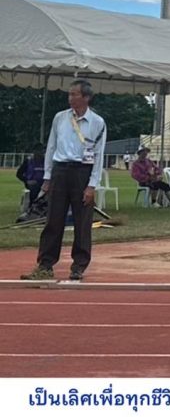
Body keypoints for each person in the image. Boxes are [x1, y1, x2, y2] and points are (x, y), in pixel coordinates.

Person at [21, 79, 106, 282]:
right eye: (69, 94)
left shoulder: (98, 122)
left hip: (82, 172)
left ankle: (79, 266)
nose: (70, 98)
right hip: (60, 170)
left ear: (86, 97)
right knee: (53, 220)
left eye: (75, 94)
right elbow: (51, 147)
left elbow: (99, 155)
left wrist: (92, 185)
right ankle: (45, 265)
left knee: (82, 222)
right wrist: (47, 177)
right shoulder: (60, 118)